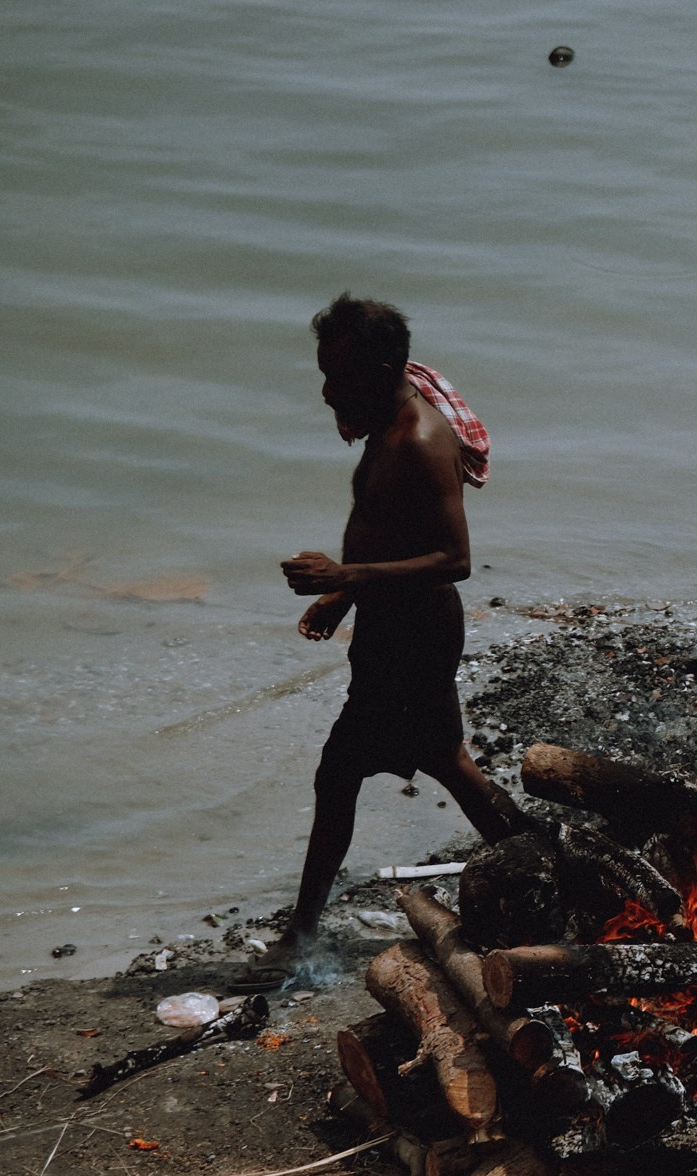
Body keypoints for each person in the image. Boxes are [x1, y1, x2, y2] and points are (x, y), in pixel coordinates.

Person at [234, 294, 524, 990]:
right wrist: (344, 595)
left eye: (339, 375)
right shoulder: (384, 424)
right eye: (324, 372)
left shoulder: (418, 442)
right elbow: (392, 529)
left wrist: (346, 574)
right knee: (443, 762)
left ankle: (301, 936)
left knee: (349, 772)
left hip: (416, 637)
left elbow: (453, 558)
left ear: (385, 368)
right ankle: (546, 861)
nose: (328, 390)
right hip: (395, 627)